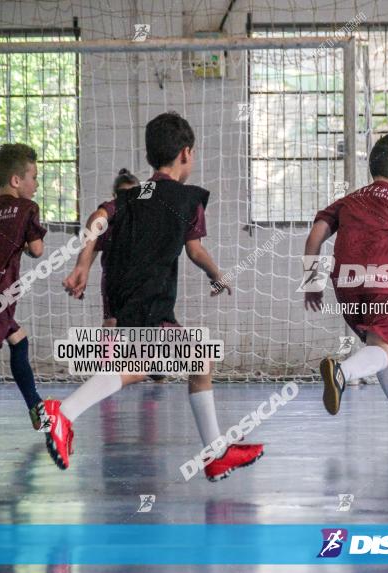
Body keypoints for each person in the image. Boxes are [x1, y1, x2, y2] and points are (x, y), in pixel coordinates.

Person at [44, 112, 263, 481]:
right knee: (144, 367)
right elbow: (195, 251)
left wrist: (83, 263)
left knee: (197, 361)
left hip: (127, 294)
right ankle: (63, 413)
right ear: (186, 153)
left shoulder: (135, 194)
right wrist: (218, 275)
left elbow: (99, 218)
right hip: (150, 296)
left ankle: (215, 454)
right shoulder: (188, 199)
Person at [304, 134, 388, 441]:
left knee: (381, 347)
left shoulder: (348, 201)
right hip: (381, 281)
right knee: (384, 349)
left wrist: (312, 281)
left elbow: (315, 237)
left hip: (345, 282)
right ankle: (342, 373)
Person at [0, 143, 47, 430]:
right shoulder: (28, 208)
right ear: (17, 181)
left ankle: (37, 410)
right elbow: (37, 250)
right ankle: (37, 411)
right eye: (34, 177)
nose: (37, 184)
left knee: (19, 339)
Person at [63, 168, 139, 327]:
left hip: (139, 281)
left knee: (139, 327)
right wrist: (82, 272)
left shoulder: (144, 220)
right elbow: (92, 249)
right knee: (111, 323)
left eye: (132, 195)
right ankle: (106, 352)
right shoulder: (107, 223)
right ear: (115, 197)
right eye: (123, 196)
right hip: (113, 281)